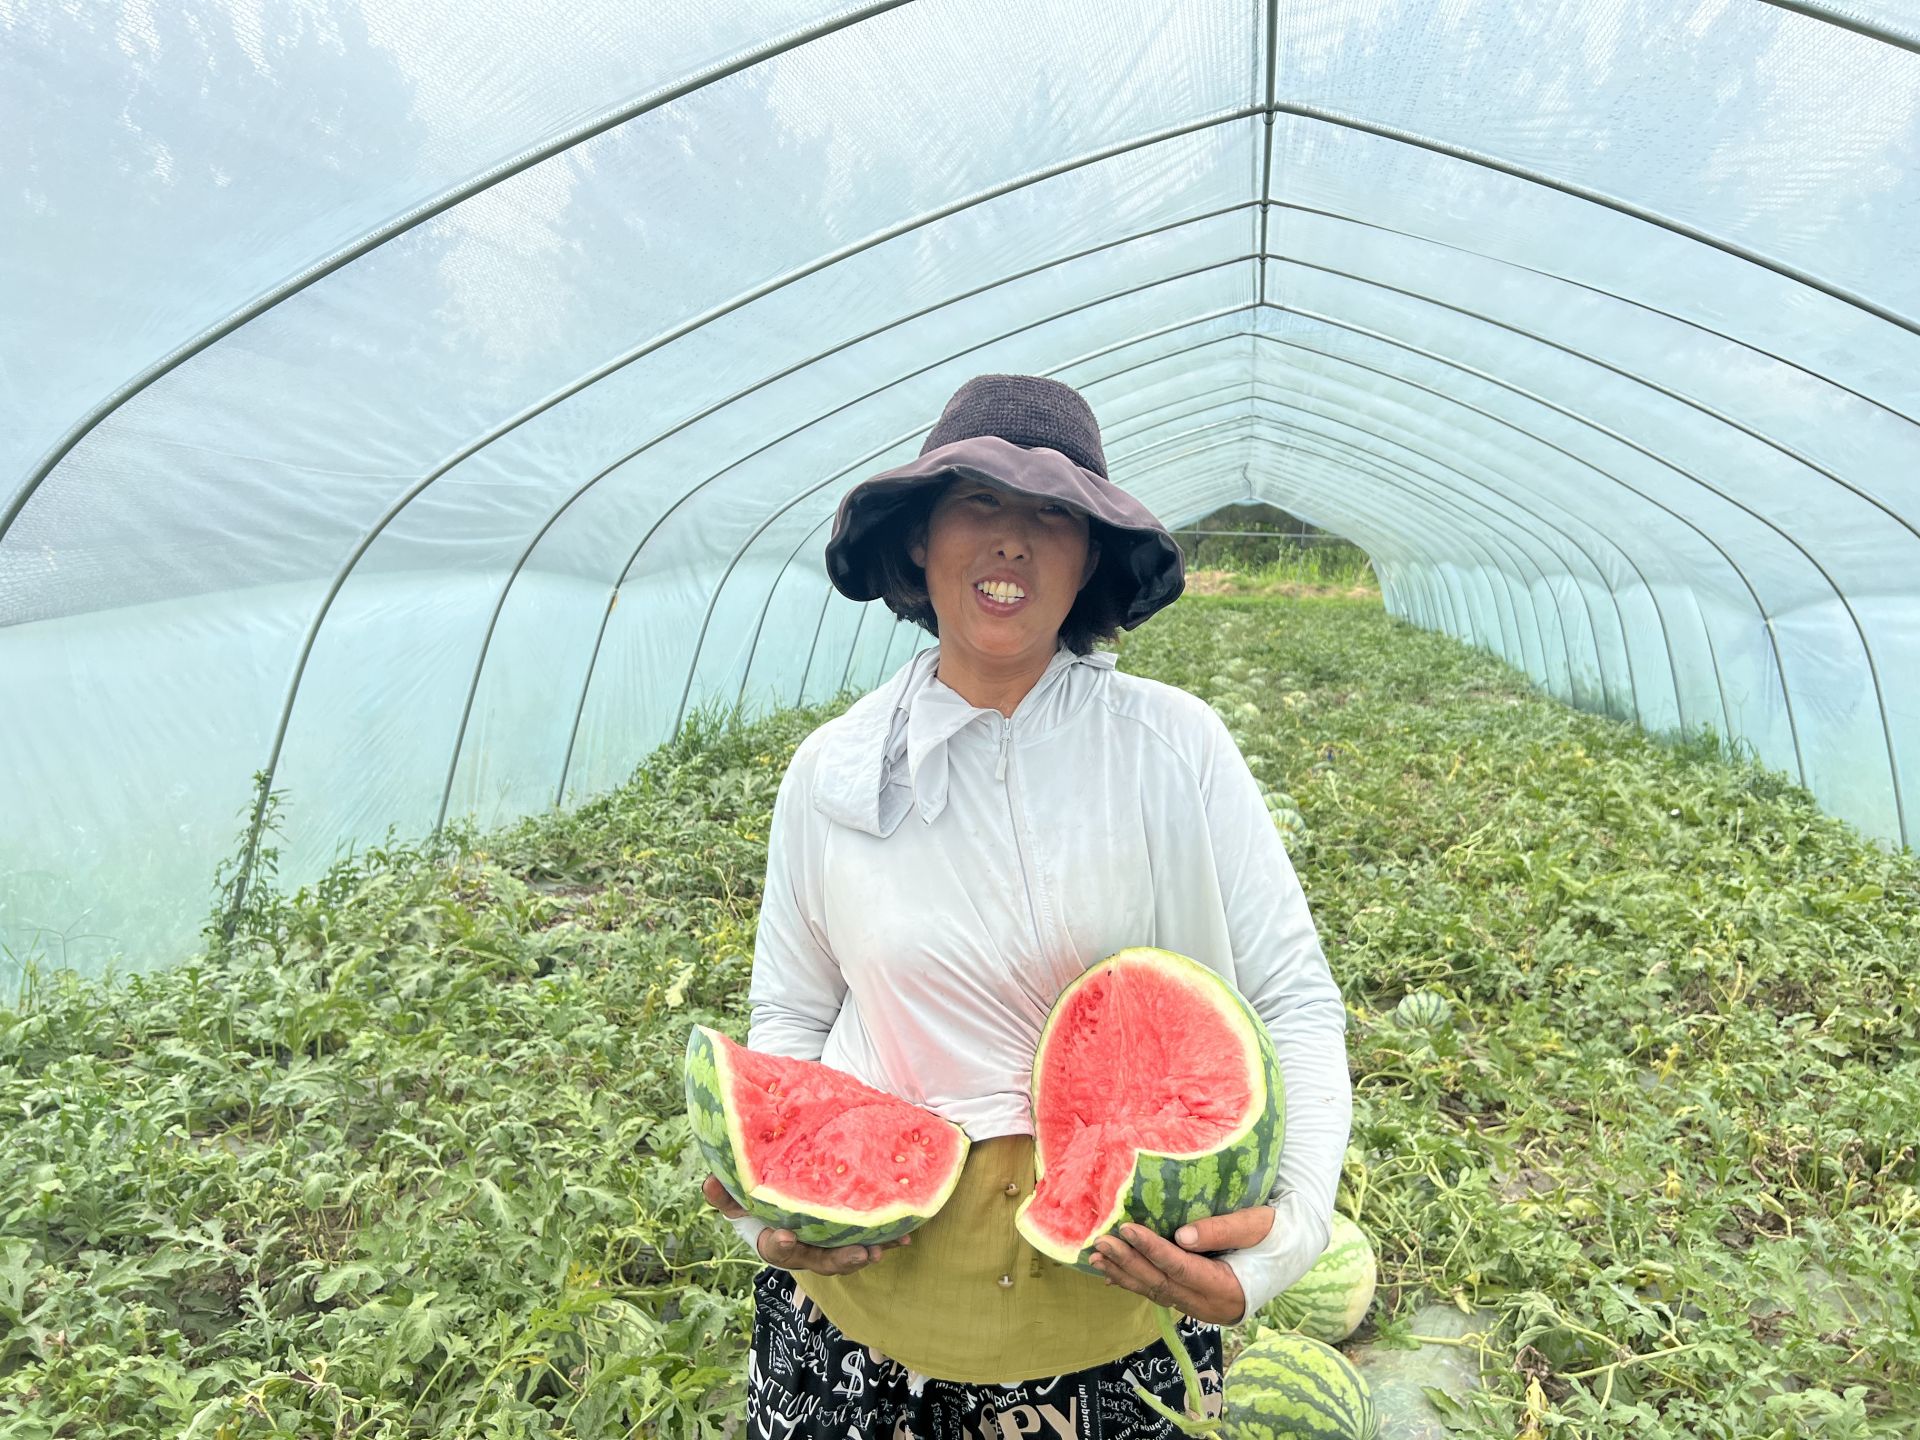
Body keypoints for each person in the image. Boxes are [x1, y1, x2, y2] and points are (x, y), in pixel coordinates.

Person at [701, 373, 1352, 1436]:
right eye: (979, 502)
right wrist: (778, 1206)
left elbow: (1293, 1001)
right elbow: (791, 1015)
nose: (1012, 538)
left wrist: (1289, 1236)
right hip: (855, 1332)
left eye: (1053, 513)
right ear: (920, 539)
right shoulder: (833, 771)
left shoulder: (1174, 748)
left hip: (1115, 1334)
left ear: (1090, 555)